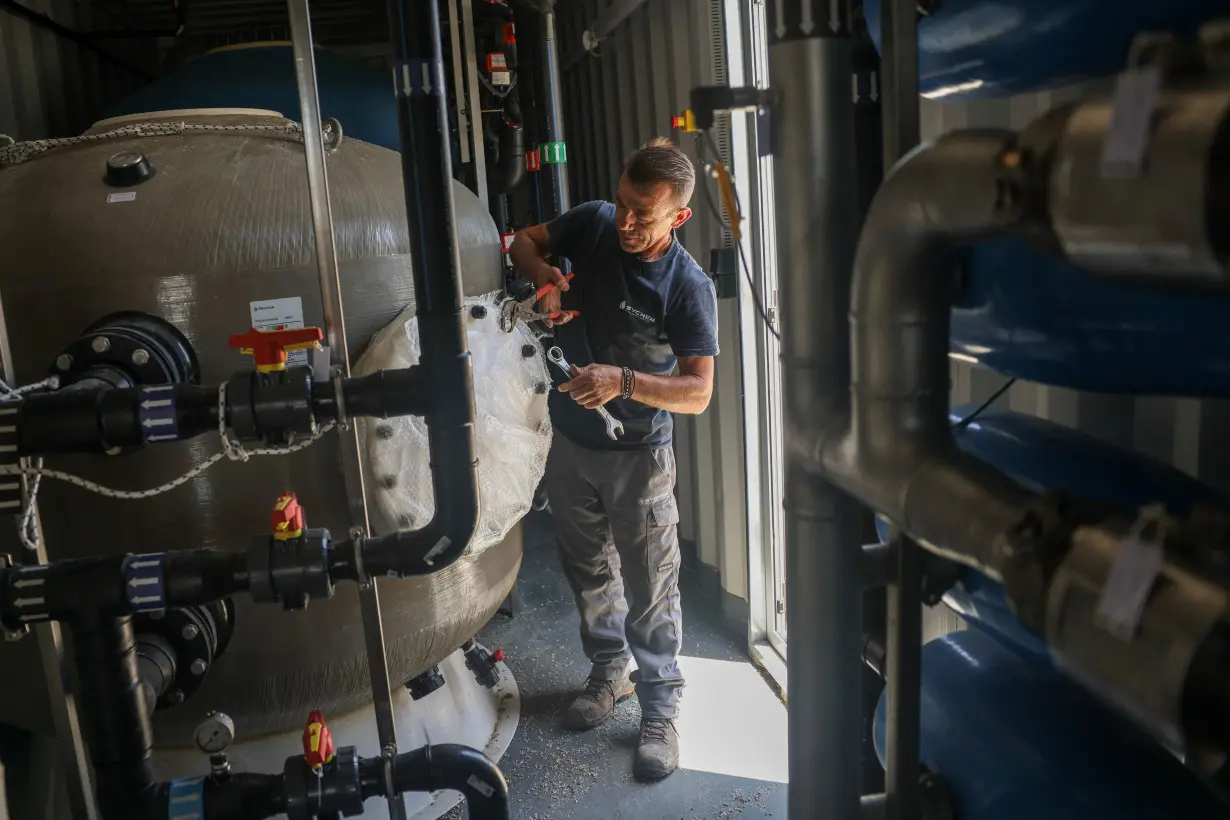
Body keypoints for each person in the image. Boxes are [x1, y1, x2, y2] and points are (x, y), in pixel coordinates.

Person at [509, 137, 719, 781]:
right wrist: (544, 279)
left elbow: (699, 391)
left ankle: (659, 708)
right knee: (586, 564)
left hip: (638, 455)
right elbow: (522, 240)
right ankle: (609, 672)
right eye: (625, 203)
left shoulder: (687, 287)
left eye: (643, 214)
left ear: (677, 217)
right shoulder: (597, 220)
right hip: (570, 440)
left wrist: (623, 382)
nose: (626, 222)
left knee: (651, 583)